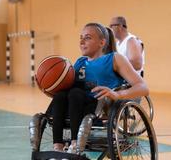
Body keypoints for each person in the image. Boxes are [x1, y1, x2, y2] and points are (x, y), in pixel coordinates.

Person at [51, 22, 149, 153]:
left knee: (75, 93)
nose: (81, 41)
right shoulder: (80, 62)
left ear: (102, 43)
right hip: (76, 105)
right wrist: (49, 85)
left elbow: (143, 87)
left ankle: (75, 144)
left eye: (87, 38)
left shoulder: (114, 58)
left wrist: (117, 94)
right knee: (60, 95)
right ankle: (57, 147)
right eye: (81, 38)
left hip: (99, 105)